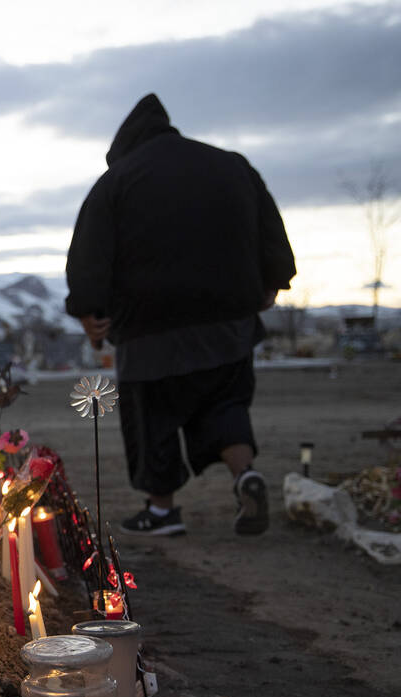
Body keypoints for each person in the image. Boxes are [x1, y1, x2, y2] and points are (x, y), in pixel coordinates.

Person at [64, 93, 296, 537]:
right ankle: (244, 475)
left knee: (153, 421)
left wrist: (88, 313)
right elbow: (271, 230)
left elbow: (89, 257)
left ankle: (163, 510)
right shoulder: (232, 166)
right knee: (225, 406)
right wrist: (273, 281)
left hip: (150, 334)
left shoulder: (116, 182)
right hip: (228, 326)